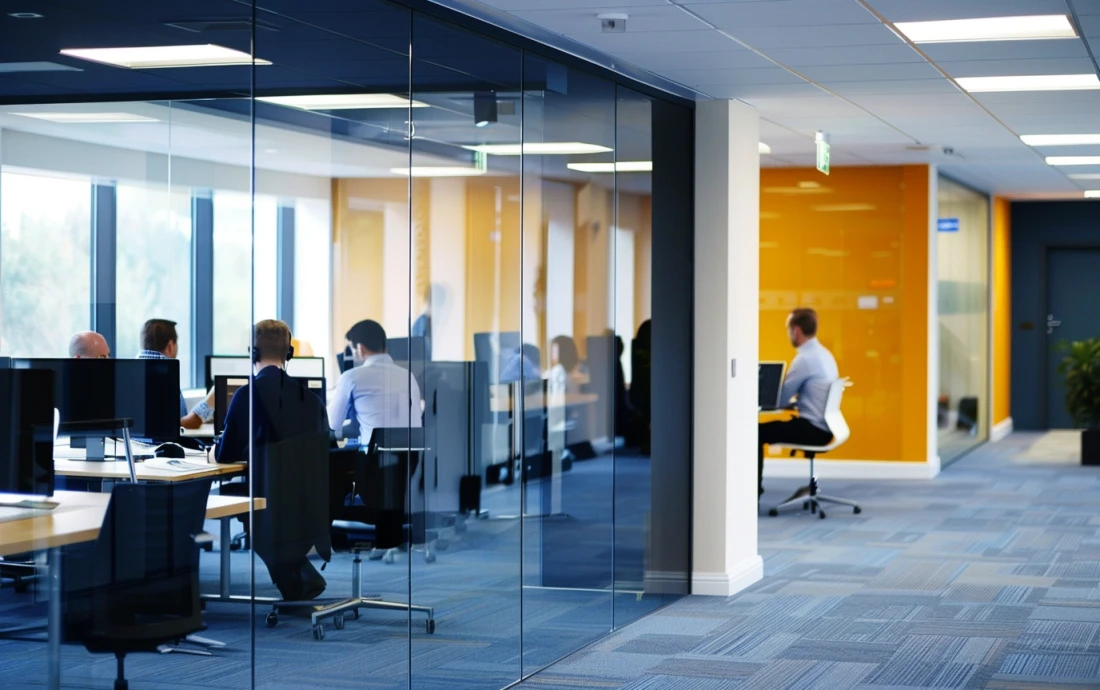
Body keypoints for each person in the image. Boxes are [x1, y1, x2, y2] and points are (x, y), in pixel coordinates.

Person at [216, 319, 329, 600]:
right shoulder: (311, 399)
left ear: (252, 353)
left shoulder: (246, 395)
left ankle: (294, 576)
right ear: (289, 353)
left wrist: (210, 450)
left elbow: (225, 455)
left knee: (227, 494)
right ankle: (297, 575)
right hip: (306, 503)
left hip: (267, 502)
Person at [758, 308, 838, 500]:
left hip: (812, 429)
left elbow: (780, 399)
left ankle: (752, 493)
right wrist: (793, 403)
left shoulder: (804, 359)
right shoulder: (824, 354)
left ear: (796, 330)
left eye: (789, 330)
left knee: (755, 433)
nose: (789, 334)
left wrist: (766, 398)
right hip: (827, 426)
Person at [328, 319, 422, 445]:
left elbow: (333, 423)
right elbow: (416, 425)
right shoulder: (409, 377)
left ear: (360, 349)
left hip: (372, 455)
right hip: (408, 455)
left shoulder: (351, 377)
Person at [137, 318, 213, 430]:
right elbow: (178, 426)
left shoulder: (131, 372)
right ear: (170, 346)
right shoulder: (164, 373)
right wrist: (210, 402)